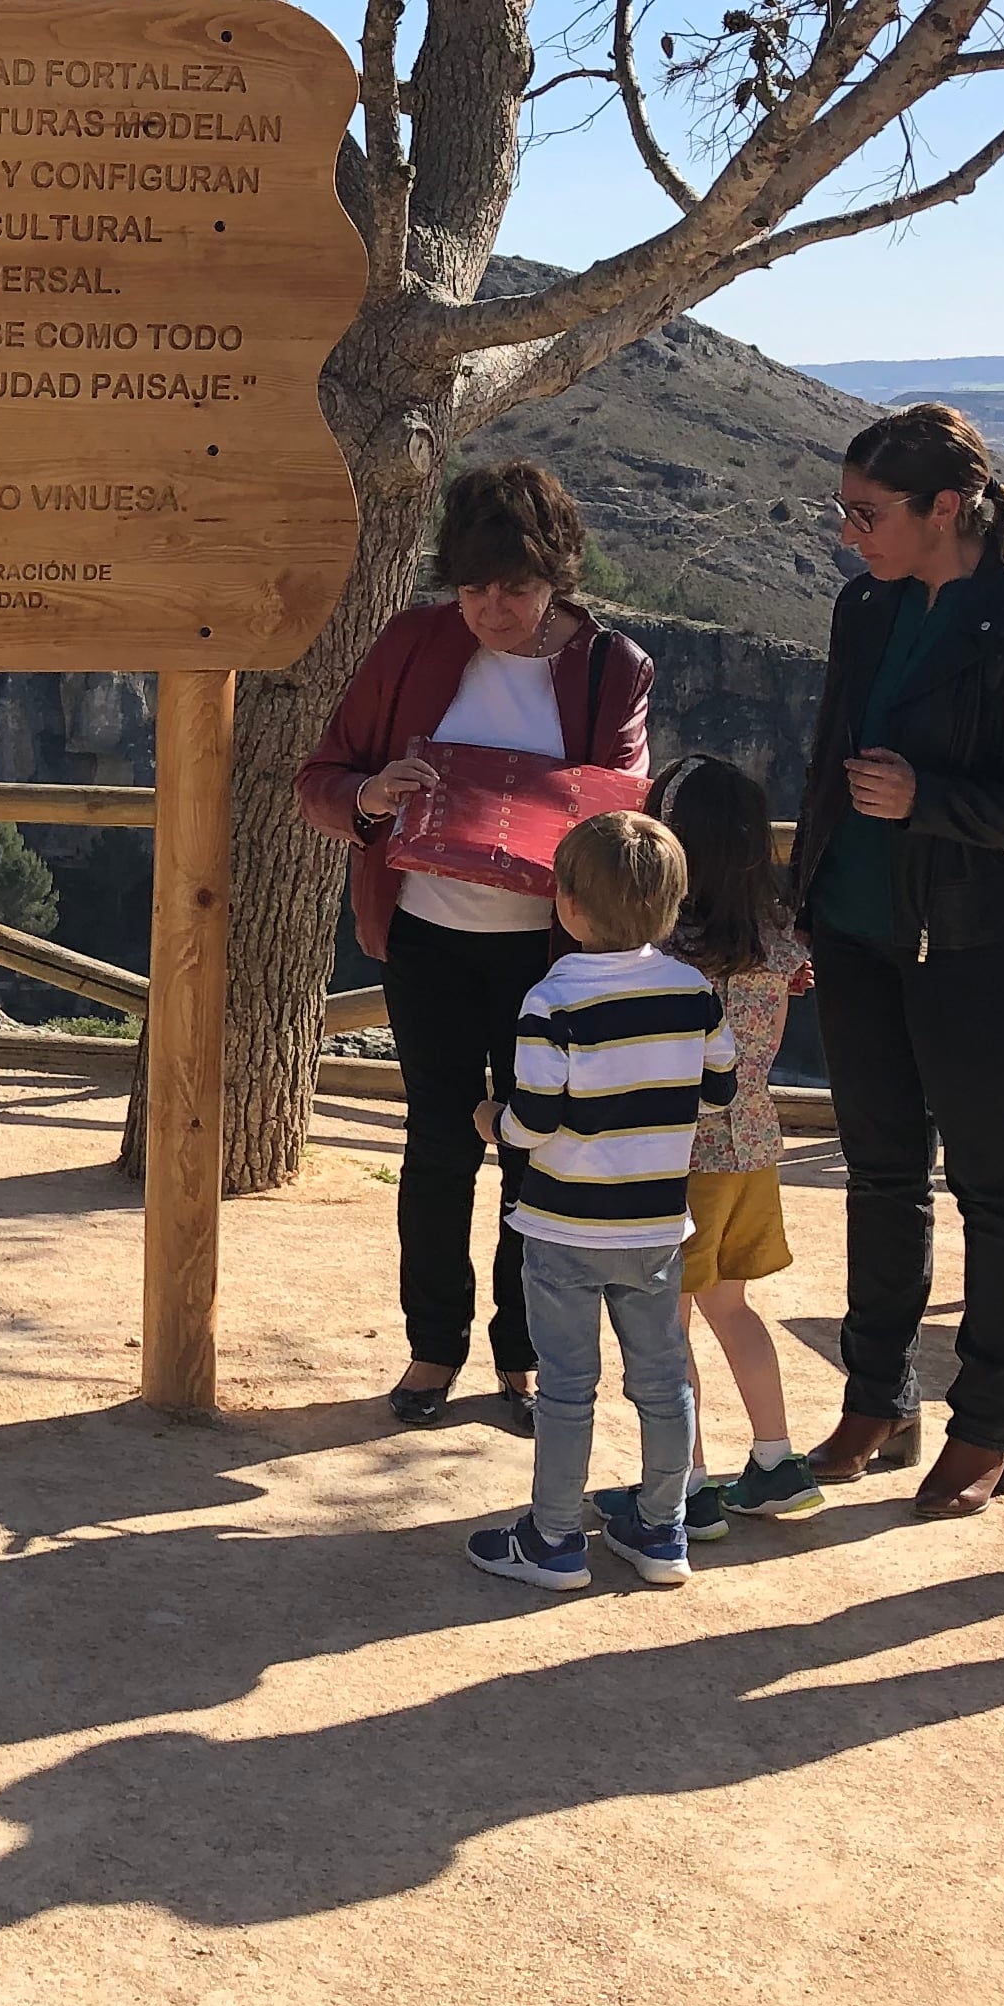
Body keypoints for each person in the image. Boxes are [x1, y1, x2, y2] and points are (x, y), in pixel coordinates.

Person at [788, 405, 1004, 1521]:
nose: (848, 533)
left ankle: (989, 1423)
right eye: (844, 510)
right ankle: (877, 1398)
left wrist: (934, 804)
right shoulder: (866, 605)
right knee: (879, 1172)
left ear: (944, 508)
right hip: (861, 927)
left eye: (867, 513)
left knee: (996, 1182)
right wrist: (806, 901)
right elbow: (829, 757)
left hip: (992, 942)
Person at [298, 459, 652, 1427]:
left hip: (552, 962)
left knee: (539, 1156)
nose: (492, 608)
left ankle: (521, 1350)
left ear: (558, 578)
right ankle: (432, 1345)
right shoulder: (413, 644)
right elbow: (322, 776)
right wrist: (371, 798)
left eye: (517, 587)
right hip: (429, 942)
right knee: (439, 1143)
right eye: (473, 585)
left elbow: (623, 821)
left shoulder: (610, 671)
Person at [467, 811, 736, 1594]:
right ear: (673, 905)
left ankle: (552, 1537)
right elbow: (717, 1092)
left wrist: (493, 1120)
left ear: (568, 905)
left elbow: (536, 1118)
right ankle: (662, 1526)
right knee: (661, 1378)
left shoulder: (552, 999)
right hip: (652, 1224)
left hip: (561, 1223)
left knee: (567, 1384)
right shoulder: (693, 993)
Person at [599, 755, 824, 1548]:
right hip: (754, 1150)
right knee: (734, 1308)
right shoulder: (775, 941)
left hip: (680, 1162)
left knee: (669, 1328)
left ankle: (684, 1485)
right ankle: (776, 1462)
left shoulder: (665, 954)